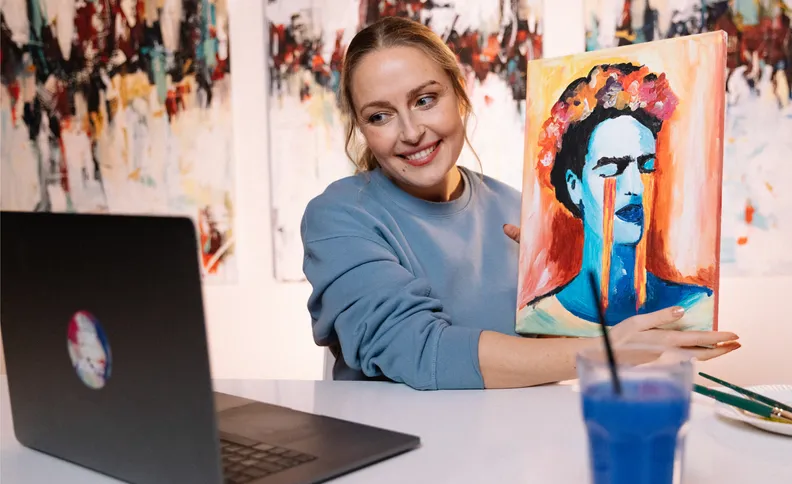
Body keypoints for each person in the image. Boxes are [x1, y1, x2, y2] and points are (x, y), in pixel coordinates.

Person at [300, 17, 740, 391]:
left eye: (425, 99)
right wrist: (610, 352)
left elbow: (554, 347)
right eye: (380, 115)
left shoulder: (517, 211)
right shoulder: (338, 217)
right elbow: (419, 350)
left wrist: (649, 329)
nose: (411, 131)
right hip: (394, 464)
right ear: (361, 128)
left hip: (512, 459)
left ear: (460, 94)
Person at [516, 63, 715, 336]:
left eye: (645, 167)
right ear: (575, 187)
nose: (635, 187)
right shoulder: (539, 320)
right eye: (611, 169)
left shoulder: (698, 309)